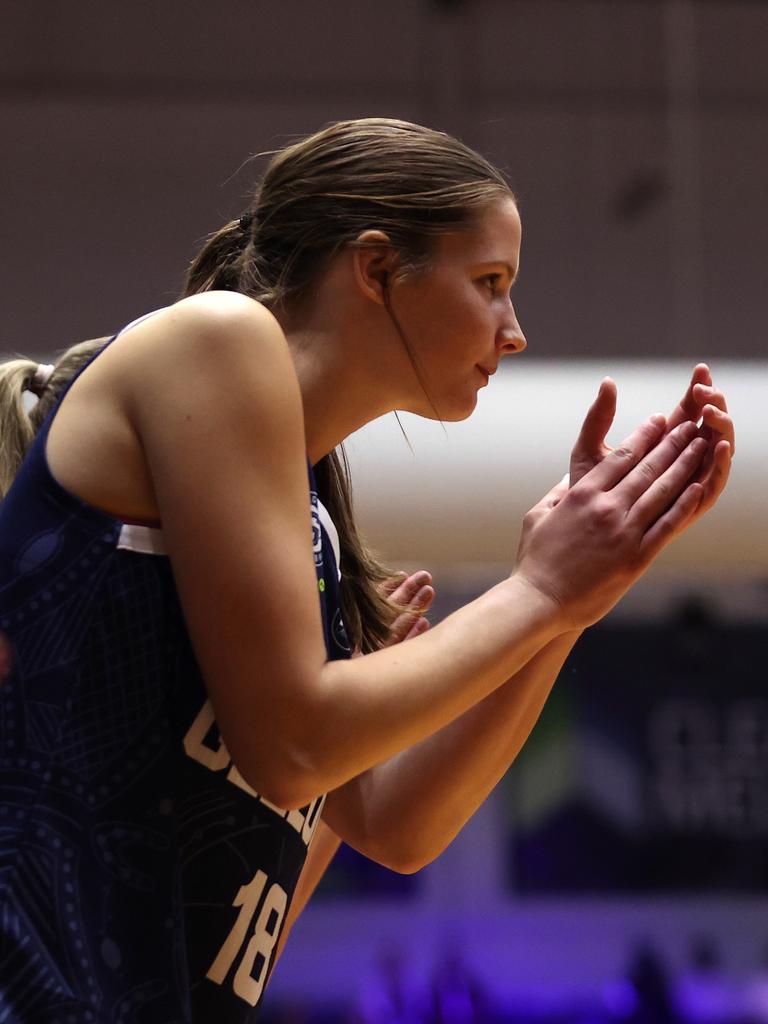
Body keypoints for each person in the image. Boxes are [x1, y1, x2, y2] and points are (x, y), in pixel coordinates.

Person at [0, 118, 733, 1023]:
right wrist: (537, 589)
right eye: (491, 283)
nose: (514, 331)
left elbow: (395, 824)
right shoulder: (215, 340)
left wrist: (571, 604)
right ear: (378, 268)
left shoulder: (309, 520)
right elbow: (297, 742)